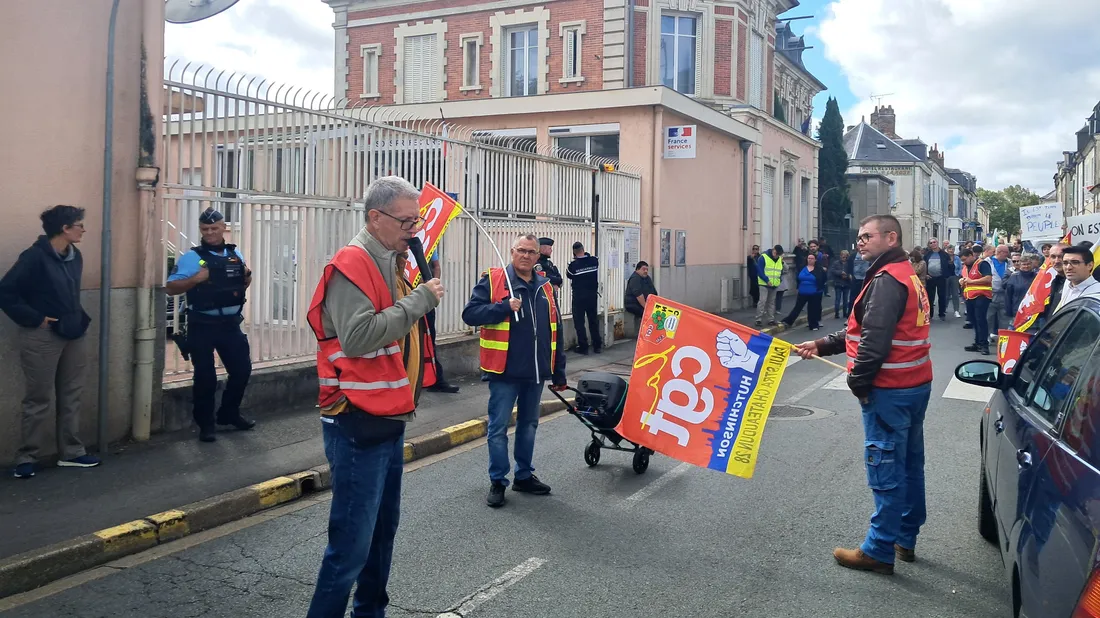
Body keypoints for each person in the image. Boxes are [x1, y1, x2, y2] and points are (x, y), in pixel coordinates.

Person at [305, 176, 444, 618]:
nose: (415, 229)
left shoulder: (393, 261)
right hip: (354, 422)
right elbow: (360, 336)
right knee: (351, 546)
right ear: (375, 218)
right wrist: (420, 300)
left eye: (417, 219)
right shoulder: (353, 264)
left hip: (387, 417)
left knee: (382, 534)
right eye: (407, 221)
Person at [794, 214, 932, 575]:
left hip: (890, 390)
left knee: (885, 467)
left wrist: (860, 384)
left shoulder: (886, 280)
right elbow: (861, 330)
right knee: (909, 464)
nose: (860, 242)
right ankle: (905, 537)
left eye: (867, 236)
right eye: (858, 236)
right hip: (915, 384)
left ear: (891, 237)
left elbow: (873, 342)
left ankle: (878, 550)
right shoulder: (904, 274)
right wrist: (822, 344)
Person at [462, 234, 568, 508]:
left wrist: (559, 371)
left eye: (531, 252)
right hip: (504, 372)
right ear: (512, 252)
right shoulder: (495, 279)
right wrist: (502, 308)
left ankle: (523, 475)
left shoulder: (545, 287)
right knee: (498, 429)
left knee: (529, 425)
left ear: (537, 256)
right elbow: (470, 314)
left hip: (535, 373)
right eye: (521, 250)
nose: (526, 256)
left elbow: (556, 330)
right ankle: (498, 480)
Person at [0, 205, 99, 478]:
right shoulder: (33, 257)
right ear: (64, 229)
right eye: (79, 224)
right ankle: (27, 457)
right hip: (41, 336)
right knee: (38, 398)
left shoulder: (74, 255)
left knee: (71, 395)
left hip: (74, 333)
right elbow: (5, 292)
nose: (83, 229)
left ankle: (71, 453)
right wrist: (36, 319)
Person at [166, 207, 255, 443]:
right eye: (205, 229)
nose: (210, 233)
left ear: (224, 228)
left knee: (242, 370)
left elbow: (241, 284)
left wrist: (247, 277)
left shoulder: (235, 255)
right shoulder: (192, 258)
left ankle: (229, 413)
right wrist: (196, 279)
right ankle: (206, 424)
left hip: (230, 324)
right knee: (205, 377)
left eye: (214, 228)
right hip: (202, 325)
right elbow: (171, 287)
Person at [424, 251, 460, 394]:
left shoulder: (428, 243)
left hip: (424, 300)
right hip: (408, 299)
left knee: (429, 340)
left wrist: (432, 287)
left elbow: (436, 266)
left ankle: (436, 380)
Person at [566, 241, 601, 355]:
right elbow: (595, 261)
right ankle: (597, 346)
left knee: (579, 322)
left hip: (579, 297)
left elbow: (569, 275)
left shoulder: (573, 265)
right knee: (593, 320)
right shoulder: (594, 260)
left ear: (574, 253)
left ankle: (583, 347)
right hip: (592, 296)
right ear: (583, 249)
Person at [959, 247, 993, 355]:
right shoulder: (965, 267)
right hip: (969, 297)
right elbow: (965, 279)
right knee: (973, 321)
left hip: (982, 295)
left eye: (965, 259)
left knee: (980, 320)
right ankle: (977, 342)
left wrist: (972, 281)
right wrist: (961, 281)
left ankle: (984, 345)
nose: (964, 262)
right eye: (962, 260)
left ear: (971, 256)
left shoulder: (982, 264)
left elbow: (988, 278)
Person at [781, 253, 826, 330]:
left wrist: (819, 289)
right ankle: (788, 321)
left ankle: (813, 325)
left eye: (812, 258)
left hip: (814, 293)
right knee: (797, 308)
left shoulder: (819, 269)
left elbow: (824, 279)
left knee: (812, 309)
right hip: (802, 292)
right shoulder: (802, 268)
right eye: (809, 258)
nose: (810, 260)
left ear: (815, 260)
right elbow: (798, 278)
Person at [1054, 246, 1100, 312]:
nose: (1068, 267)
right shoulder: (1067, 286)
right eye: (1065, 263)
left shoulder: (1096, 292)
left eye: (1075, 262)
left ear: (1089, 265)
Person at [985, 245, 1012, 344]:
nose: (1007, 255)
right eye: (1006, 252)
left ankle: (1003, 339)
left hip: (1005, 294)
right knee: (989, 316)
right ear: (999, 252)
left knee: (1004, 318)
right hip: (991, 293)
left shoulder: (1009, 262)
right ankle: (987, 335)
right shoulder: (988, 261)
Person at [923, 238, 952, 321]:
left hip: (941, 278)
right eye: (931, 243)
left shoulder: (944, 254)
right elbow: (923, 265)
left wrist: (947, 274)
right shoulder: (927, 254)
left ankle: (942, 313)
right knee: (930, 297)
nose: (933, 244)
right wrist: (925, 274)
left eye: (934, 242)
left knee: (942, 296)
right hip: (930, 278)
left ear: (937, 243)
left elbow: (949, 265)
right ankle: (930, 314)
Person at [1004, 253, 1040, 319]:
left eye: (1028, 264)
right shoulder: (1013, 277)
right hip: (1017, 311)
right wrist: (1009, 312)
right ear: (1020, 265)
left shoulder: (1038, 277)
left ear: (1032, 265)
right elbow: (1008, 296)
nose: (1026, 266)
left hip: (1034, 312)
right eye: (1024, 264)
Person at [755, 245, 785, 326]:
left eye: (778, 254)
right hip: (764, 283)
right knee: (762, 301)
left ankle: (770, 319)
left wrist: (779, 280)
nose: (776, 255)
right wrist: (766, 280)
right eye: (775, 253)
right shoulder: (763, 257)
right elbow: (760, 271)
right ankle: (758, 319)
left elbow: (781, 270)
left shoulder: (779, 259)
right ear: (773, 249)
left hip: (774, 284)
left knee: (771, 302)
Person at [830, 249, 851, 319]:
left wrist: (847, 276)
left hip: (846, 283)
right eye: (843, 257)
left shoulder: (849, 264)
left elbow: (851, 272)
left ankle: (845, 313)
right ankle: (837, 313)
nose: (844, 258)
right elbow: (832, 270)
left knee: (845, 300)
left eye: (845, 257)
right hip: (838, 283)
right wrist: (840, 273)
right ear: (840, 256)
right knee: (837, 299)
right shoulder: (836, 263)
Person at [945, 244, 962, 319]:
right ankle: (944, 308)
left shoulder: (957, 258)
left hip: (955, 276)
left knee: (955, 294)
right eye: (950, 249)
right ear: (947, 250)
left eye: (952, 249)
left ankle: (956, 310)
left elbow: (960, 267)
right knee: (946, 294)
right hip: (946, 277)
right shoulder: (945, 257)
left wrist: (958, 274)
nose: (951, 250)